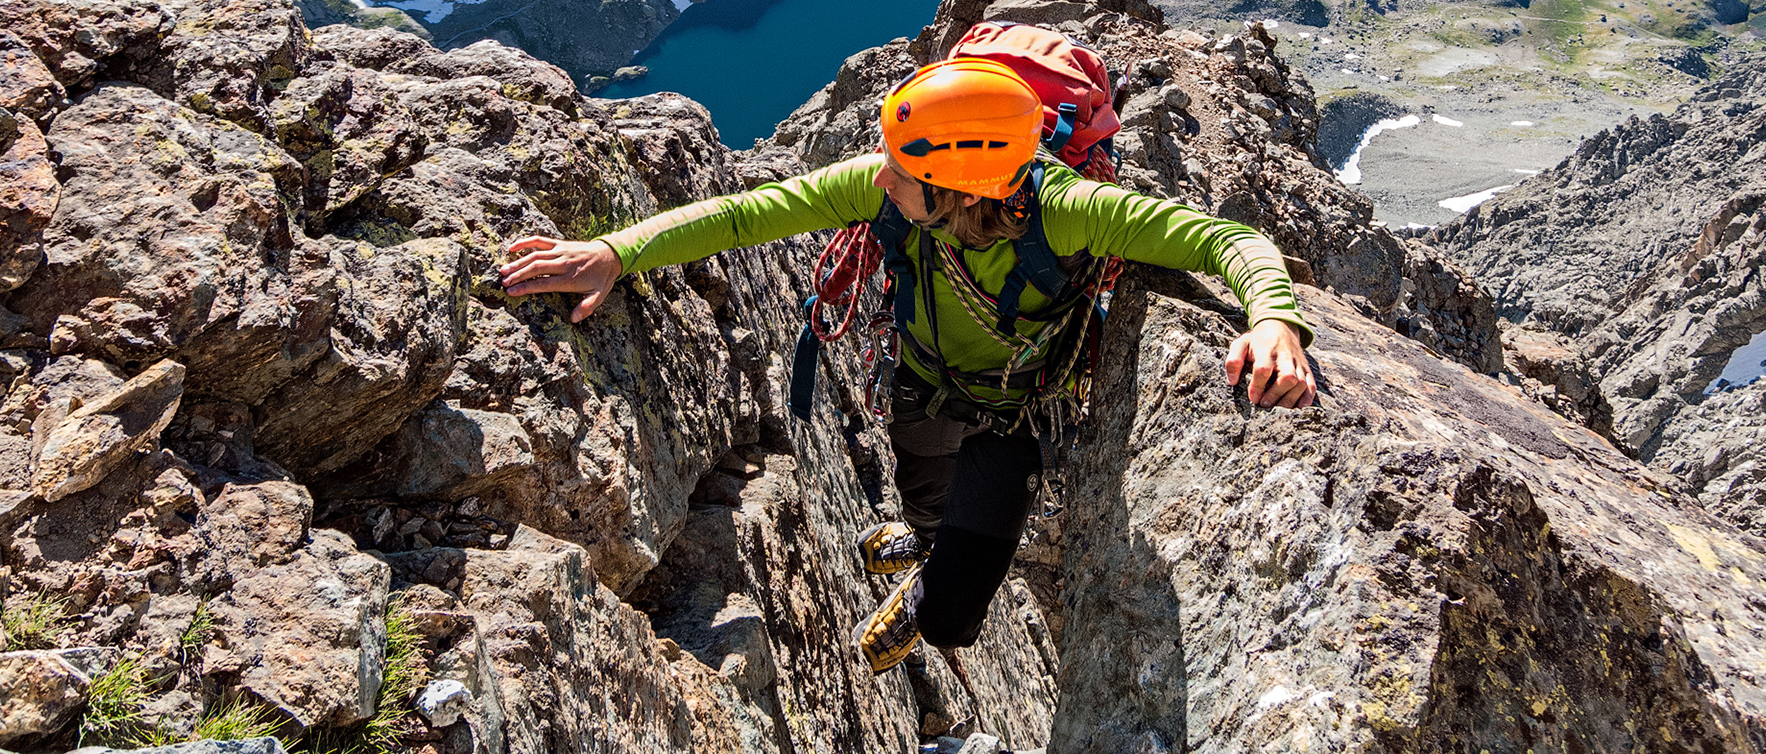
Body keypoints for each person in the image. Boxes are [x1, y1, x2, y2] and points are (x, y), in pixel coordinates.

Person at [501, 56, 1316, 672]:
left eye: (905, 174)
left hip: (1013, 413)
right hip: (922, 382)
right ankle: (926, 547)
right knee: (924, 505)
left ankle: (934, 585)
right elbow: (748, 214)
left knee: (953, 621)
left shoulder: (1067, 211)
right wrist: (614, 250)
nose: (879, 181)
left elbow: (1225, 239)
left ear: (966, 188)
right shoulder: (896, 184)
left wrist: (1274, 321)